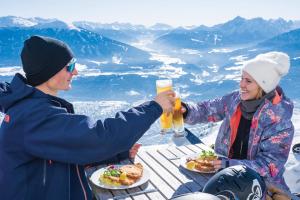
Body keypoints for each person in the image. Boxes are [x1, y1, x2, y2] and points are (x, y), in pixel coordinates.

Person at [0, 35, 175, 200]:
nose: (75, 72)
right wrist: (155, 107)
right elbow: (102, 136)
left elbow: (66, 149)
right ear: (49, 72)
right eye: (69, 66)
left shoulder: (34, 109)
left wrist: (116, 154)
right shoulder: (34, 117)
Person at [182, 52, 294, 198]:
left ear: (263, 86)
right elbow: (207, 109)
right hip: (225, 176)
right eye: (242, 78)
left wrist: (228, 165)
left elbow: (269, 166)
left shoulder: (279, 121)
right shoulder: (235, 99)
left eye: (248, 81)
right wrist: (186, 111)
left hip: (259, 187)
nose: (241, 85)